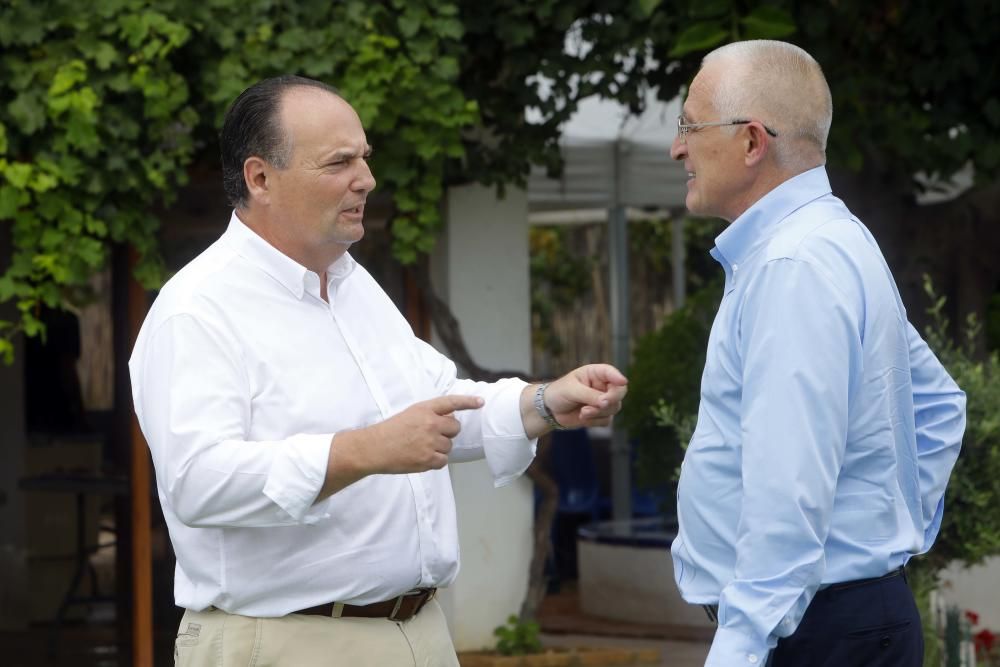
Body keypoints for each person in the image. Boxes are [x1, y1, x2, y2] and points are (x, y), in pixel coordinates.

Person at [128, 75, 628, 667]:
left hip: (419, 630)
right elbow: (198, 483)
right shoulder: (197, 309)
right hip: (286, 642)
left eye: (364, 158)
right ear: (259, 177)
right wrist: (366, 450)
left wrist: (543, 403)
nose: (365, 179)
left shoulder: (350, 282)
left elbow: (436, 406)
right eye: (339, 162)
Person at [667, 41, 966, 667]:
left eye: (689, 126)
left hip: (809, 632)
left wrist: (742, 644)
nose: (677, 148)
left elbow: (788, 488)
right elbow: (939, 407)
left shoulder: (792, 264)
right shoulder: (831, 240)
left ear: (752, 142)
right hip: (837, 618)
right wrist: (878, 536)